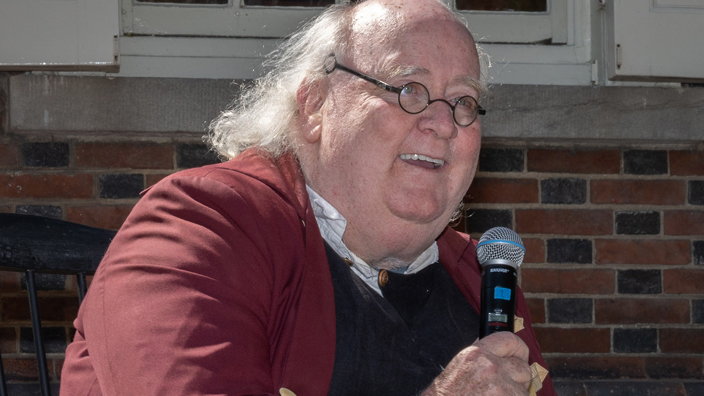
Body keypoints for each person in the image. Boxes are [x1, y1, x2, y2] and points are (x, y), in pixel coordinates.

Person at [61, 0, 555, 395]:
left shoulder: (482, 275)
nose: (443, 122)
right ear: (315, 105)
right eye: (408, 88)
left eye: (463, 100)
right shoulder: (202, 226)